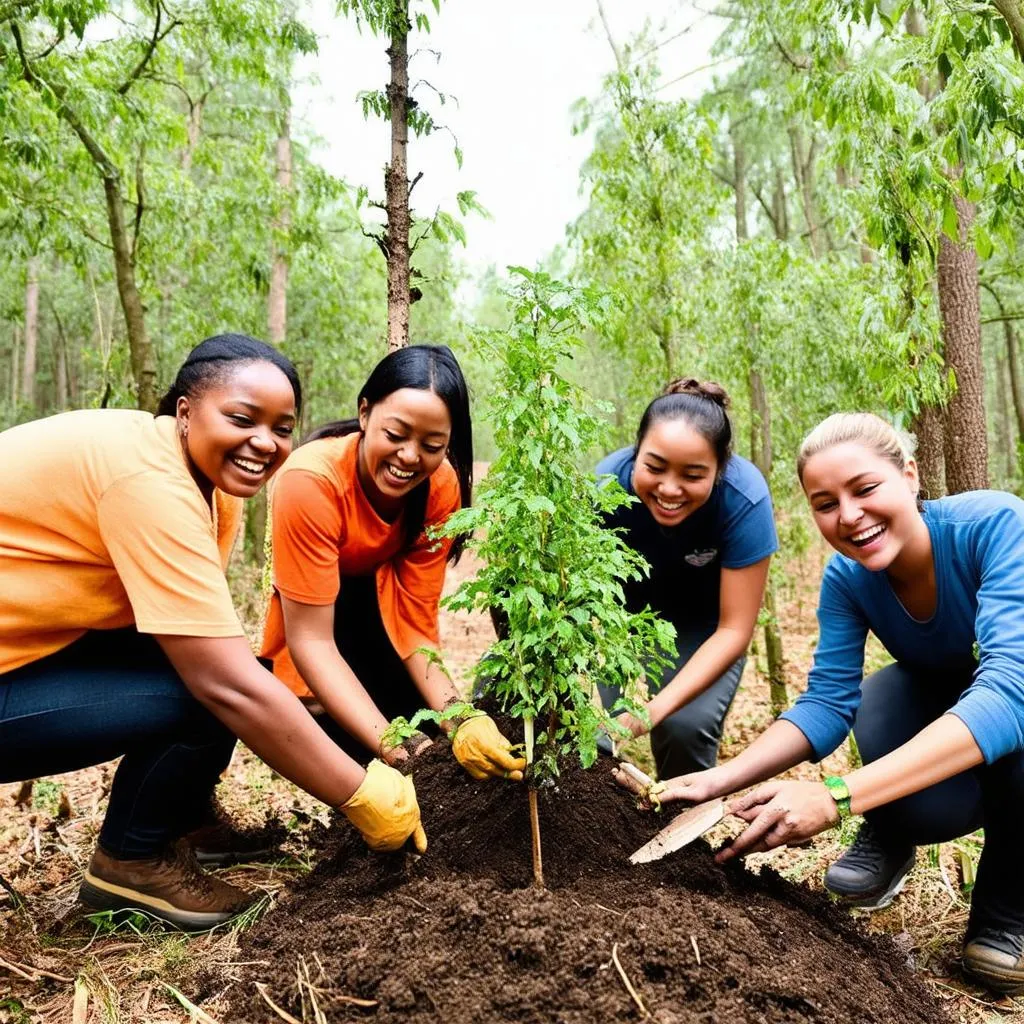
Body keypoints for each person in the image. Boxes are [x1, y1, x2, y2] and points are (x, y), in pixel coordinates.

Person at [0, 335, 427, 932]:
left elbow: (193, 635)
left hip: (31, 647)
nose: (265, 442)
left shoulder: (203, 481)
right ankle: (131, 862)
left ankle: (183, 821)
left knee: (209, 669)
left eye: (283, 427)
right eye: (242, 418)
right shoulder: (147, 481)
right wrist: (360, 792)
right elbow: (225, 684)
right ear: (184, 410)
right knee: (211, 690)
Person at [649, 412, 1024, 995]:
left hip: (1014, 717)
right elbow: (827, 703)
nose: (848, 516)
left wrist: (837, 796)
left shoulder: (995, 525)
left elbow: (1008, 694)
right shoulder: (848, 578)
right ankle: (893, 828)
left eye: (866, 489)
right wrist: (721, 779)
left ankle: (1008, 907)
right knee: (882, 699)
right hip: (947, 710)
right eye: (825, 504)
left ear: (910, 476)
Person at [260, 344, 525, 783]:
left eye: (432, 444)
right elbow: (311, 642)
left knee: (433, 747)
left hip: (379, 614)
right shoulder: (310, 481)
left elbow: (416, 624)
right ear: (365, 413)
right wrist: (396, 749)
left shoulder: (442, 488)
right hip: (313, 618)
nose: (409, 456)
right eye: (396, 434)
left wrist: (461, 720)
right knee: (358, 753)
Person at [596, 378, 778, 779]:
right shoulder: (604, 488)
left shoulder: (743, 499)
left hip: (705, 626)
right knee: (590, 730)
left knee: (683, 728)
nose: (669, 488)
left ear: (719, 469)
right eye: (655, 467)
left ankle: (681, 829)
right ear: (636, 452)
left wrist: (653, 710)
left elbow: (735, 629)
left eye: (693, 475)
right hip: (617, 623)